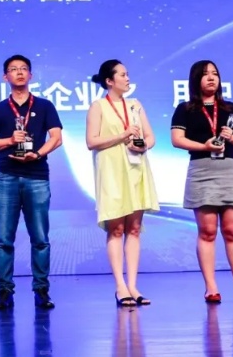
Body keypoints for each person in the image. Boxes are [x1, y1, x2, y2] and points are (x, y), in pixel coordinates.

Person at [0, 55, 63, 310]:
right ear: (5, 76)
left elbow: (56, 138)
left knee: (40, 238)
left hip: (36, 176)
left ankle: (41, 290)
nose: (19, 72)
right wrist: (10, 140)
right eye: (13, 69)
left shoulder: (45, 105)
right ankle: (5, 292)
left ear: (30, 75)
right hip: (6, 177)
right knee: (4, 239)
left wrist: (37, 154)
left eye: (23, 69)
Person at [170, 60, 233, 304]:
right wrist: (204, 146)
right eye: (205, 74)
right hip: (201, 170)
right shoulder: (185, 109)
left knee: (232, 231)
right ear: (196, 79)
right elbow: (177, 139)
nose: (211, 78)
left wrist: (231, 137)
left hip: (229, 169)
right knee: (207, 232)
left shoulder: (230, 108)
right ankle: (211, 287)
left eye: (215, 74)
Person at [85, 59, 159, 307]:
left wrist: (142, 144)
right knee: (116, 229)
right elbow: (92, 141)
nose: (127, 79)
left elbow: (150, 137)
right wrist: (123, 135)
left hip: (136, 168)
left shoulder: (135, 105)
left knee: (134, 229)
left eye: (128, 74)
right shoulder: (98, 107)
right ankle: (120, 286)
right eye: (123, 75)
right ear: (109, 80)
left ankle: (133, 286)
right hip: (112, 172)